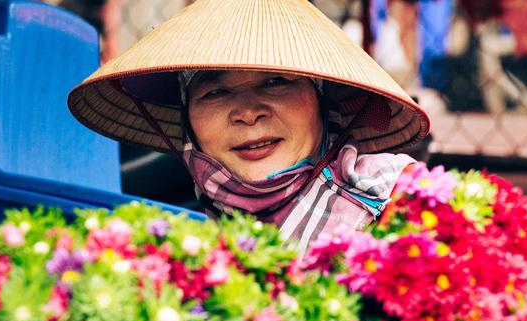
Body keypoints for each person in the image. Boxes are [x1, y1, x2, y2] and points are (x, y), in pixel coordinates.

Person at [68, 0, 429, 252]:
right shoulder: (166, 248)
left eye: (276, 81)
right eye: (216, 91)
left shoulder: (396, 201)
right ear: (186, 120)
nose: (247, 112)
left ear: (323, 101)